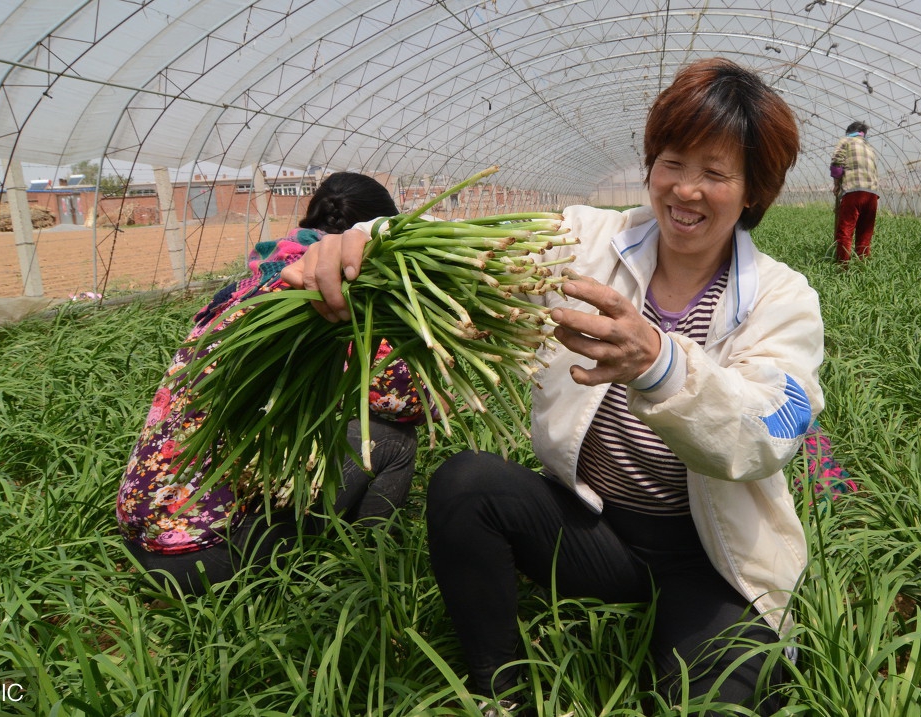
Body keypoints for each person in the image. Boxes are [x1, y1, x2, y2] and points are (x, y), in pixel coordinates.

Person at [288, 58, 824, 716]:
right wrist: (365, 242)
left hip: (710, 555)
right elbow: (461, 246)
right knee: (467, 484)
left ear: (753, 192)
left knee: (715, 702)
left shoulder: (782, 299)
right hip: (596, 526)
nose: (686, 190)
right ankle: (501, 691)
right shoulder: (590, 240)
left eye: (715, 173)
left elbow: (769, 429)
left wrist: (658, 361)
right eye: (672, 162)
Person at [116, 172, 422, 597]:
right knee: (395, 436)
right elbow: (408, 401)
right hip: (203, 557)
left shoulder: (253, 281)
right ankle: (365, 573)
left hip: (141, 532)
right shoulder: (328, 291)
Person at [829, 120, 879, 263]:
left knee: (845, 231)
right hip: (872, 194)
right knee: (865, 232)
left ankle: (842, 266)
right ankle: (862, 265)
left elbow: (836, 163)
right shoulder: (869, 147)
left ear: (849, 131)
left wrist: (837, 184)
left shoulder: (846, 141)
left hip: (853, 191)